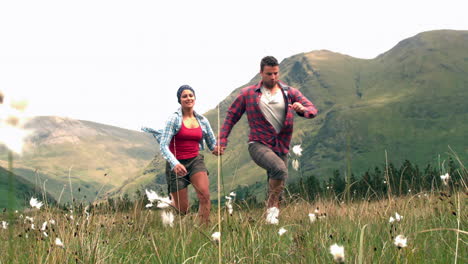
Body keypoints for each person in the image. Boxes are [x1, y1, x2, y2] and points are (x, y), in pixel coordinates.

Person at [213, 56, 318, 218]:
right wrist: (222, 140)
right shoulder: (248, 94)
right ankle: (270, 212)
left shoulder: (289, 93)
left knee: (279, 184)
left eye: (276, 73)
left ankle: (271, 219)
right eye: (269, 74)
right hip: (258, 144)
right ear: (261, 73)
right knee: (279, 169)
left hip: (281, 146)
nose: (273, 77)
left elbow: (312, 110)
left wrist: (302, 109)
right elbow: (231, 115)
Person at [143, 85, 216, 224]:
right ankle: (167, 208)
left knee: (205, 196)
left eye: (191, 95)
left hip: (195, 160)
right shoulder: (174, 119)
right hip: (176, 164)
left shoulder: (203, 121)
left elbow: (212, 144)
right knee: (183, 209)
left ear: (195, 98)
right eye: (184, 96)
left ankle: (204, 229)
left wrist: (217, 149)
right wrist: (174, 163)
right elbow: (163, 145)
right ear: (179, 100)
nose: (188, 98)